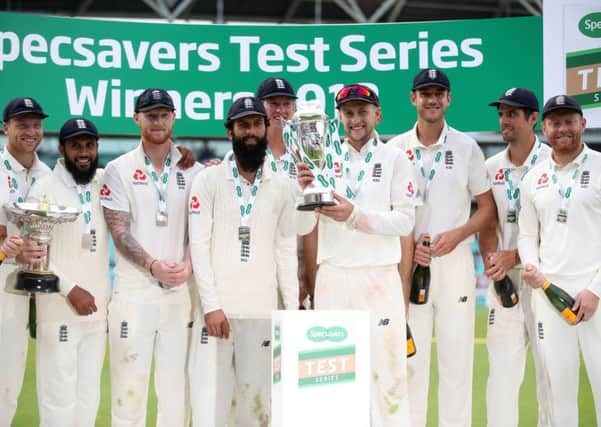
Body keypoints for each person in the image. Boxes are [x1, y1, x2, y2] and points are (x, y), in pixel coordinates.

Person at [296, 84, 418, 427]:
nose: (356, 119)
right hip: (333, 276)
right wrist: (302, 192)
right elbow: (303, 224)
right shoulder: (321, 158)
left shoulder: (396, 158)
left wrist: (355, 216)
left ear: (377, 114)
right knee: (331, 384)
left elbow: (406, 219)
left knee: (389, 379)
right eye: (348, 113)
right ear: (339, 118)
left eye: (363, 111)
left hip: (379, 277)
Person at [388, 68, 496, 427]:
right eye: (425, 93)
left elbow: (488, 208)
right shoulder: (394, 150)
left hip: (455, 266)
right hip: (410, 269)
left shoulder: (466, 147)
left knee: (456, 366)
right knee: (410, 367)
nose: (432, 99)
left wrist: (460, 233)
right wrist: (407, 252)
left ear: (448, 99)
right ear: (413, 99)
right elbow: (388, 214)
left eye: (439, 93)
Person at [187, 96, 297, 427]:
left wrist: (290, 313)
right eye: (243, 125)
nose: (251, 131)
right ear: (230, 131)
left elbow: (286, 249)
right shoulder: (208, 180)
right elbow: (199, 245)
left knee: (258, 408)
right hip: (217, 313)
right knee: (210, 408)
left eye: (256, 124)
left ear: (266, 128)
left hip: (262, 312)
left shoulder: (282, 184)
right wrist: (210, 306)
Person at [100, 88, 203, 427]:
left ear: (174, 117)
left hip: (178, 294)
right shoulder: (118, 169)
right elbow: (119, 231)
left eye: (163, 114)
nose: (157, 121)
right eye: (150, 115)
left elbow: (199, 228)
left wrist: (187, 263)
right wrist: (153, 265)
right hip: (133, 293)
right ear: (137, 118)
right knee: (128, 393)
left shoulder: (195, 170)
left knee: (176, 394)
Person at [519, 95, 601, 426]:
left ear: (583, 124)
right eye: (555, 122)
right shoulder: (533, 177)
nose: (563, 128)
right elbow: (527, 235)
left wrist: (596, 289)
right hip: (550, 295)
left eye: (569, 121)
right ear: (544, 127)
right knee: (559, 390)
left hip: (594, 293)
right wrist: (532, 267)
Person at [26, 117, 109, 427]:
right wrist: (71, 289)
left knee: (89, 397)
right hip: (59, 308)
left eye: (89, 145)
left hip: (97, 313)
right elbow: (35, 254)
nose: (84, 152)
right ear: (62, 148)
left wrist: (182, 155)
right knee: (59, 398)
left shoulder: (104, 182)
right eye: (76, 146)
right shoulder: (44, 187)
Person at [478, 88, 551, 427]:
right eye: (502, 114)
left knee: (549, 374)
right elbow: (487, 219)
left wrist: (514, 256)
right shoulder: (490, 166)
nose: (505, 120)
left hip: (545, 280)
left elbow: (553, 230)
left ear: (533, 119)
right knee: (502, 377)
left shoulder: (553, 162)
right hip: (504, 281)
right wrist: (493, 260)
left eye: (513, 114)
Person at [0, 96, 51, 427]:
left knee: (8, 383)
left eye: (36, 124)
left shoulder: (48, 174)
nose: (30, 131)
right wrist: (6, 250)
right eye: (22, 124)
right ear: (6, 128)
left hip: (21, 290)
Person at [256, 76, 316, 308]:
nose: (280, 110)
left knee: (292, 341)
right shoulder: (248, 153)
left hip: (297, 261)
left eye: (286, 104)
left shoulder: (308, 155)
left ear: (294, 108)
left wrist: (308, 275)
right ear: (260, 105)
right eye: (273, 103)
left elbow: (314, 222)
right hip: (259, 263)